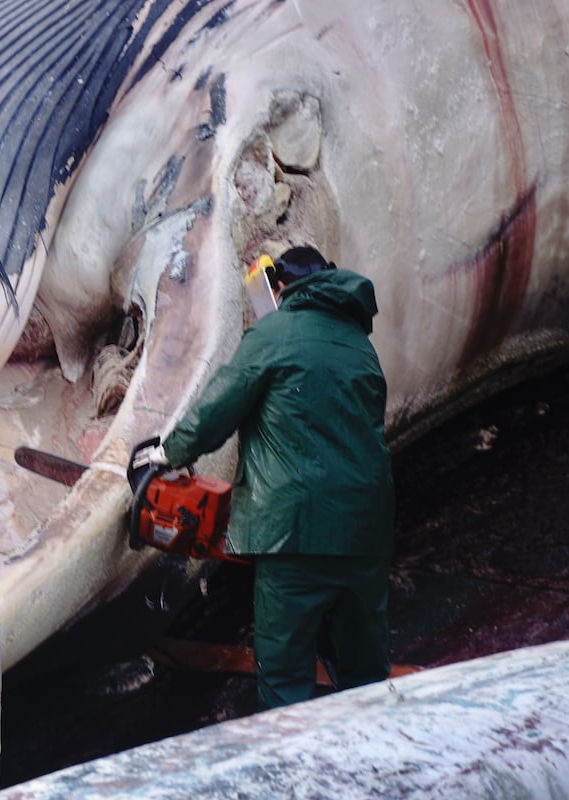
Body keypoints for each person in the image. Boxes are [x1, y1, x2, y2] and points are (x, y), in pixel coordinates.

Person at [149, 245, 395, 709]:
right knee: (365, 676)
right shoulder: (359, 344)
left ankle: (290, 771)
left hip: (293, 533)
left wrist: (168, 452)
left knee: (285, 679)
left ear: (279, 287)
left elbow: (217, 409)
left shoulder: (274, 332)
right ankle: (371, 766)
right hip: (365, 533)